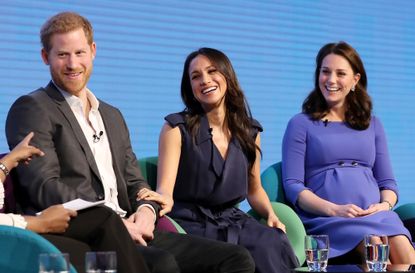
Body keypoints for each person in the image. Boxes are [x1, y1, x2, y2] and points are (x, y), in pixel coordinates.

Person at [5, 12, 255, 273]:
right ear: (46, 57)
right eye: (62, 55)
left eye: (79, 53)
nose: (72, 63)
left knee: (237, 259)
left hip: (132, 225)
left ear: (93, 51)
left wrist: (147, 211)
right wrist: (112, 222)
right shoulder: (33, 108)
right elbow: (44, 187)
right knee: (162, 264)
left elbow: (134, 180)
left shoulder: (112, 115)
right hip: (81, 233)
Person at [145, 47, 298, 273]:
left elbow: (254, 189)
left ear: (227, 75)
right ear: (190, 87)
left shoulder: (251, 131)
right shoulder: (176, 128)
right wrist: (160, 200)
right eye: (196, 77)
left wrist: (270, 214)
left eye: (211, 71)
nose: (205, 80)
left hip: (232, 219)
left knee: (272, 243)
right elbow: (165, 189)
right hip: (192, 223)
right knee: (234, 256)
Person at [281, 41, 415, 264]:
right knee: (376, 246)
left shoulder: (373, 124)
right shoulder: (300, 124)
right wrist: (334, 210)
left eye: (340, 73)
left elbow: (388, 183)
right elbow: (293, 185)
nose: (331, 80)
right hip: (328, 219)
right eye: (325, 72)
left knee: (402, 245)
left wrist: (384, 206)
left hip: (376, 215)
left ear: (355, 80)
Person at [0, 133, 152, 273]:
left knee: (94, 233)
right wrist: (38, 223)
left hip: (14, 228)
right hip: (12, 234)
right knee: (94, 233)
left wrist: (6, 163)